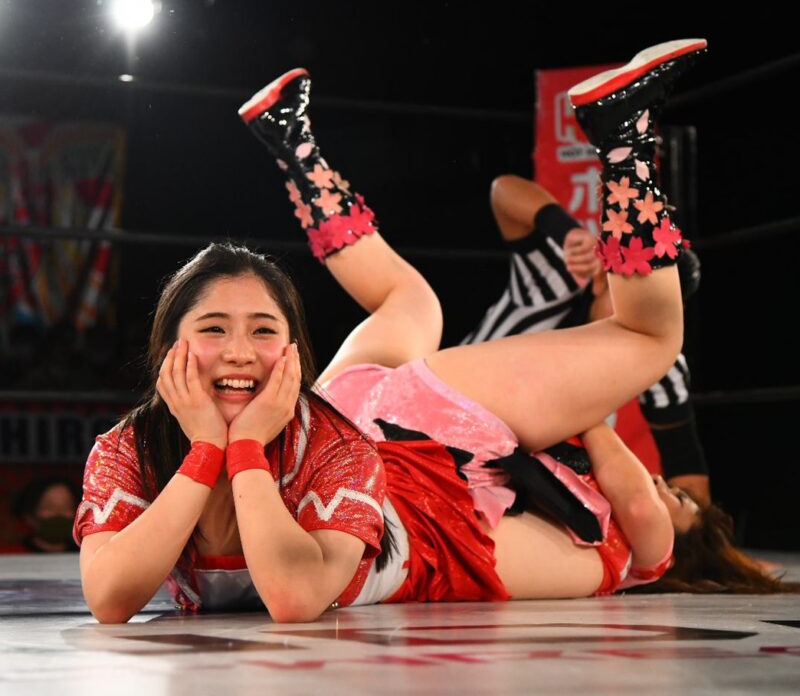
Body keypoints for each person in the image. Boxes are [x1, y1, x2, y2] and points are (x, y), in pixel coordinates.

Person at [73, 39, 796, 624]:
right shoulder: (559, 282)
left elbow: (663, 487)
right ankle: (623, 142)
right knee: (619, 335)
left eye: (263, 330)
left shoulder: (329, 444)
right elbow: (507, 196)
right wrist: (561, 235)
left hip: (408, 423)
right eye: (214, 328)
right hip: (428, 426)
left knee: (440, 306)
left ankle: (300, 150)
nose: (238, 350)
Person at [462, 173, 710, 505]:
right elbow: (504, 190)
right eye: (631, 301)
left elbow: (689, 476)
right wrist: (567, 232)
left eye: (653, 309)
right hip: (445, 415)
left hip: (510, 480)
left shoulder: (661, 362)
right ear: (602, 281)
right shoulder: (556, 281)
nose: (638, 319)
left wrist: (680, 524)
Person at [10, 477, 80, 553]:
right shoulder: (11, 554)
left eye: (67, 507)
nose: (58, 513)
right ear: (29, 516)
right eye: (49, 507)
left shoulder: (85, 553)